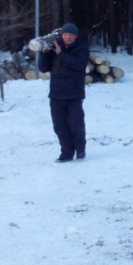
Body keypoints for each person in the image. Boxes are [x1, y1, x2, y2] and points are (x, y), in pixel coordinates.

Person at [38, 22, 90, 163]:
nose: (67, 37)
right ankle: (66, 153)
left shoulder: (81, 49)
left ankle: (80, 150)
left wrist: (61, 54)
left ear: (75, 36)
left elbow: (78, 64)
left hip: (74, 94)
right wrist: (44, 53)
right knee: (60, 126)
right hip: (56, 95)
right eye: (65, 34)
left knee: (76, 124)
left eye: (71, 35)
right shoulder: (54, 48)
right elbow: (43, 68)